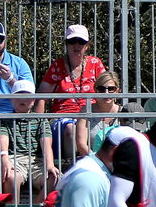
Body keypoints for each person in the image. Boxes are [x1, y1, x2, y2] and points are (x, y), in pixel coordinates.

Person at [38, 24, 107, 175]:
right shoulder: (57, 66)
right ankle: (75, 170)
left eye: (81, 42)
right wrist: (39, 123)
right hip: (63, 118)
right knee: (71, 129)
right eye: (72, 41)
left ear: (87, 46)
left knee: (101, 130)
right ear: (66, 44)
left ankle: (98, 169)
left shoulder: (95, 63)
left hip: (90, 115)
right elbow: (41, 97)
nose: (76, 46)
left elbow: (107, 89)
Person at [0, 79, 47, 207]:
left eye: (27, 96)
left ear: (33, 100)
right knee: (11, 177)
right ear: (12, 99)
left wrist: (50, 165)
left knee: (54, 178)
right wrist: (4, 158)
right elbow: (3, 140)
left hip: (36, 161)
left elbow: (46, 144)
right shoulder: (5, 120)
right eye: (18, 95)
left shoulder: (41, 121)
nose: (22, 99)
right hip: (15, 159)